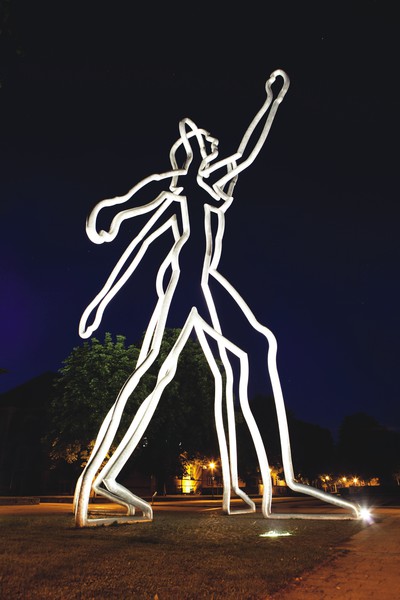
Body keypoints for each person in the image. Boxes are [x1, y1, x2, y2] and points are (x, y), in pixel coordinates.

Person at [74, 70, 361, 527]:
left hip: (205, 282)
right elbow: (139, 235)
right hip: (186, 284)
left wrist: (271, 103)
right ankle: (99, 478)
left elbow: (245, 154)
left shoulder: (209, 180)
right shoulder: (179, 184)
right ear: (191, 151)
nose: (213, 143)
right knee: (154, 374)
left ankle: (254, 485)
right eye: (205, 141)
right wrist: (102, 295)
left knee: (247, 355)